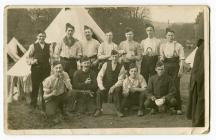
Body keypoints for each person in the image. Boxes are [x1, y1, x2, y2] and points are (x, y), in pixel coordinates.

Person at [160, 29, 185, 115]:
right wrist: (162, 59)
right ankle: (167, 106)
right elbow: (162, 58)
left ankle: (178, 107)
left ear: (174, 36)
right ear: (165, 36)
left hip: (175, 67)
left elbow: (182, 59)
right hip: (166, 67)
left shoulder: (179, 46)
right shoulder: (163, 45)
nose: (170, 37)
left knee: (175, 87)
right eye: (168, 35)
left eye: (172, 35)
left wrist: (181, 69)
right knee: (166, 86)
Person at [95, 50, 126, 117]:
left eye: (116, 56)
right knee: (99, 92)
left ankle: (118, 110)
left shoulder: (121, 67)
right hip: (106, 85)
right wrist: (101, 87)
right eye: (113, 56)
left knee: (117, 90)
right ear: (111, 57)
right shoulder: (106, 64)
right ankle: (99, 109)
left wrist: (113, 87)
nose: (114, 58)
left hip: (115, 85)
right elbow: (99, 76)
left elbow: (121, 80)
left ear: (118, 57)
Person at [26, 31, 51, 111]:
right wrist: (32, 62)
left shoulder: (49, 46)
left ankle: (45, 104)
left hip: (46, 70)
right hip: (36, 69)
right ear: (37, 37)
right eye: (40, 36)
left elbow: (52, 57)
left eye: (43, 36)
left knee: (45, 87)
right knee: (35, 87)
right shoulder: (33, 46)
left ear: (45, 37)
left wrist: (52, 64)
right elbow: (27, 57)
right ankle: (33, 104)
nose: (41, 38)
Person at [187, 39, 205, 127]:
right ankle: (198, 121)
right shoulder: (202, 47)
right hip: (199, 76)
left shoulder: (202, 47)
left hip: (199, 75)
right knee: (201, 98)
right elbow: (190, 63)